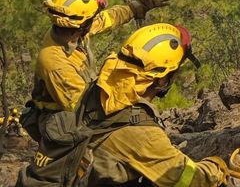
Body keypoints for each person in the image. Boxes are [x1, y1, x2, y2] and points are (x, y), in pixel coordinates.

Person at [18, 23, 227, 187]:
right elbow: (190, 180)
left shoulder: (96, 89)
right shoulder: (141, 133)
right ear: (162, 80)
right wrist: (216, 166)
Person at [23, 0, 171, 141]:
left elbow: (106, 19)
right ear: (83, 24)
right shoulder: (55, 64)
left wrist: (138, 6)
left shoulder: (70, 30)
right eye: (92, 18)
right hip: (66, 122)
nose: (95, 20)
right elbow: (85, 111)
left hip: (84, 104)